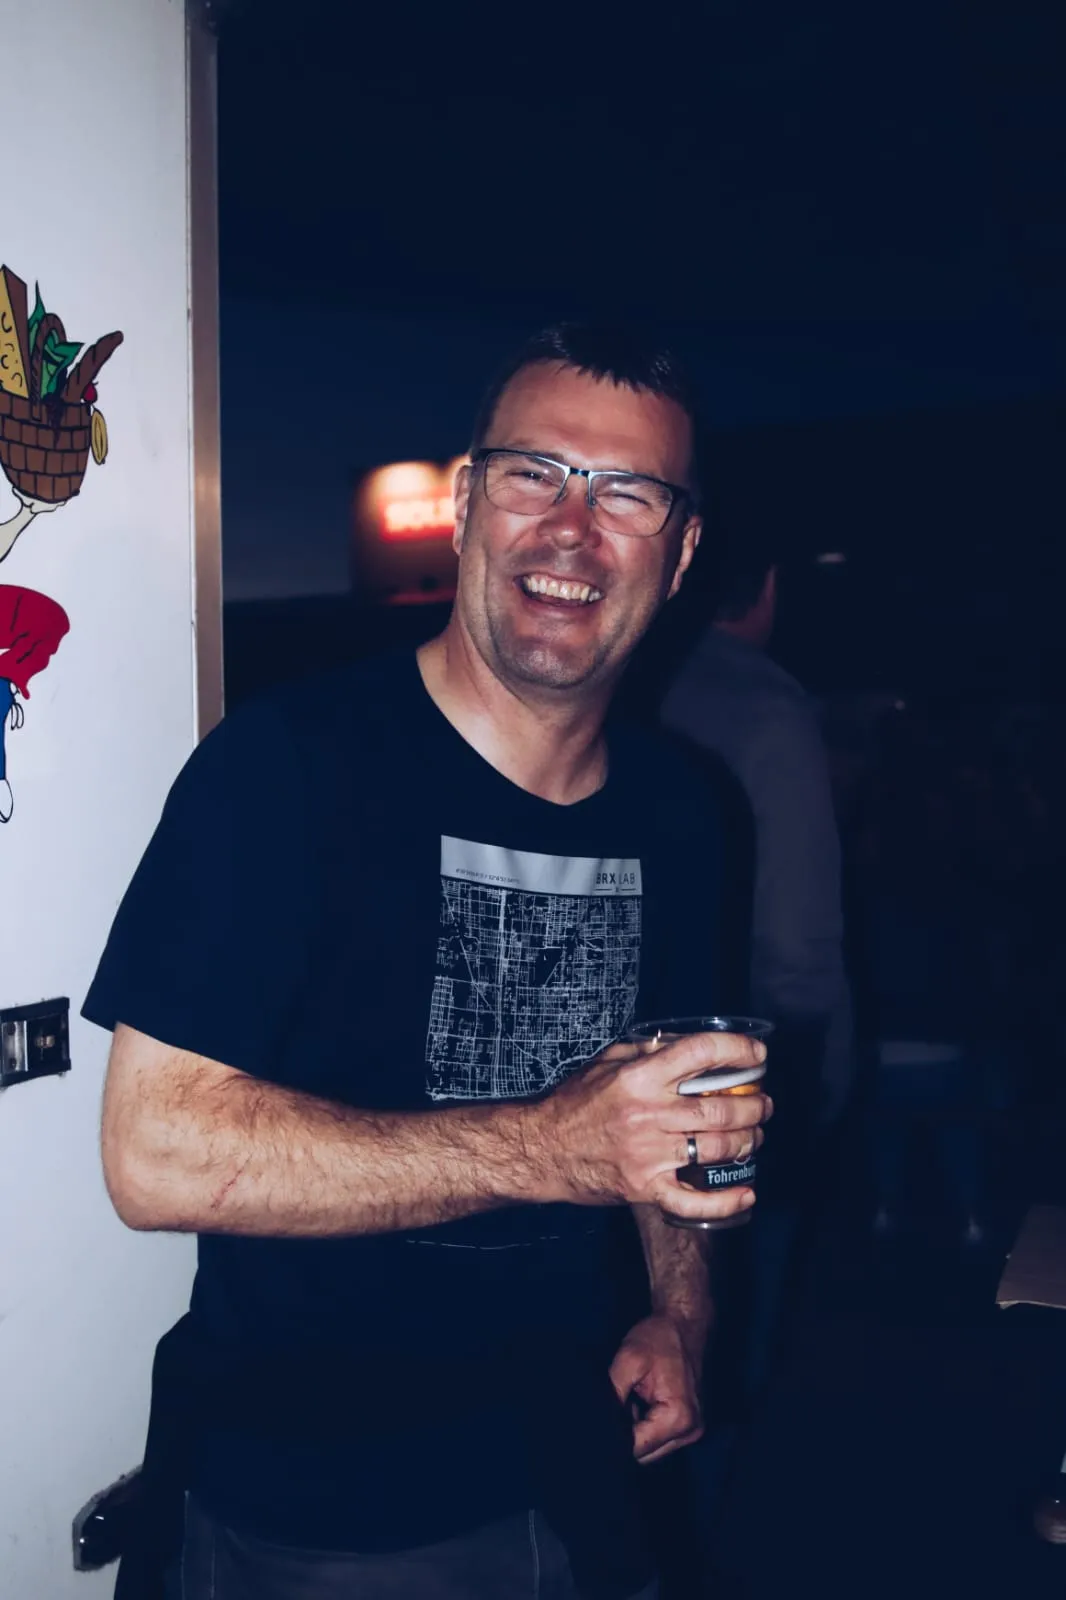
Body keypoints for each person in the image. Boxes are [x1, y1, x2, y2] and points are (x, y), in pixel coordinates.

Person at [83, 323, 772, 1600]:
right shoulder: (285, 768)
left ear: (680, 554)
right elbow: (152, 1153)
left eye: (626, 493)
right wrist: (549, 1147)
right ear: (464, 508)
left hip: (588, 1466)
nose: (570, 528)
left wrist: (681, 1310)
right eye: (533, 474)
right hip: (318, 1511)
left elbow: (669, 1115)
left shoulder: (687, 813)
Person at [657, 539, 850, 1575]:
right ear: (767, 591)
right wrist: (819, 1085)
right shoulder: (770, 710)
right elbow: (800, 941)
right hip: (741, 1078)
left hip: (623, 1073)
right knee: (722, 1350)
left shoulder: (633, 682)